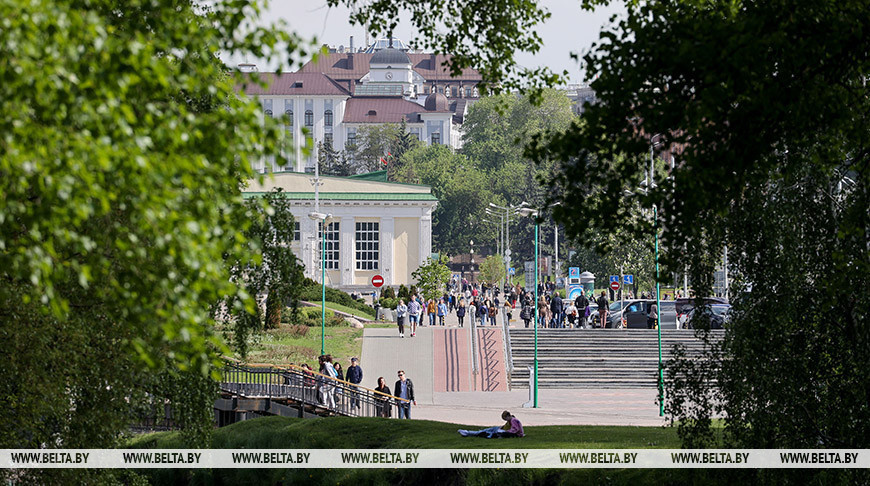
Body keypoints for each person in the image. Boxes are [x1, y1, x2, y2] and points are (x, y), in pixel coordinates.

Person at [458, 410, 525, 438]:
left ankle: (468, 433)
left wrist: (505, 431)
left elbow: (515, 430)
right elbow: (508, 427)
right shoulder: (511, 420)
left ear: (507, 416)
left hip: (506, 432)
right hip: (500, 429)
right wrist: (502, 428)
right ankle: (468, 433)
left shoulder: (513, 420)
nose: (505, 420)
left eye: (505, 419)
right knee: (485, 431)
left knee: (485, 432)